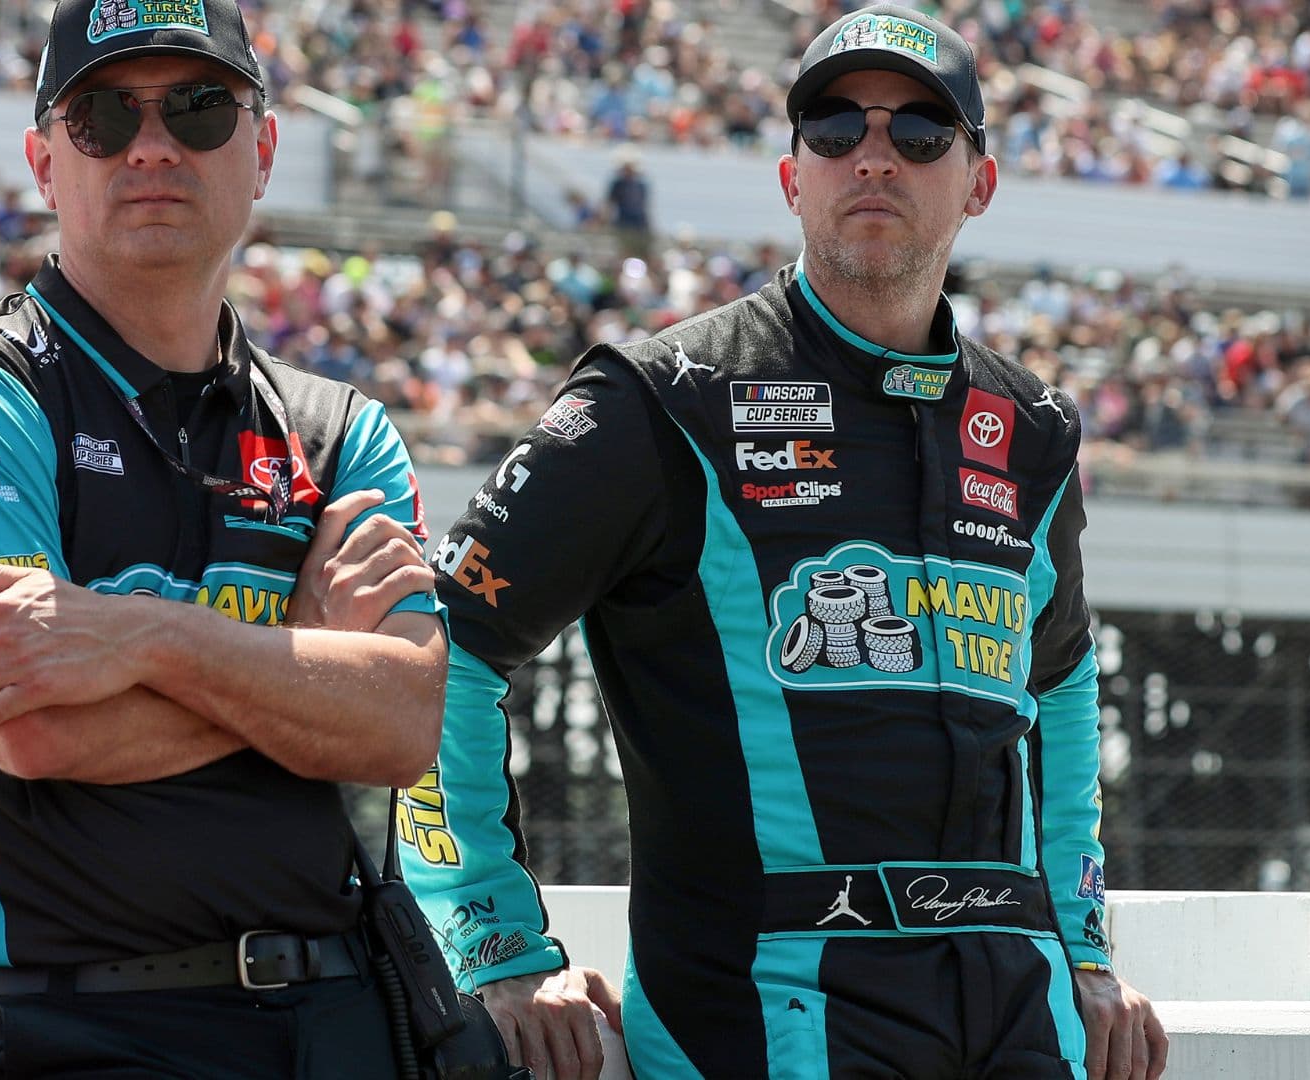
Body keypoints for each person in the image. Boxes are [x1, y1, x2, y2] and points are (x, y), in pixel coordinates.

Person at [401, 6, 1168, 1079]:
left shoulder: (1031, 429)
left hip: (1017, 1019)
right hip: (762, 1018)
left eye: (919, 134)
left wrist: (1083, 944)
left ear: (978, 183)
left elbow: (1066, 679)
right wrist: (495, 941)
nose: (873, 156)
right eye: (835, 127)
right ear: (791, 175)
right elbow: (444, 648)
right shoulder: (662, 398)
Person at [0, 0, 447, 1075]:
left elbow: (402, 723)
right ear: (44, 161)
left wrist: (140, 643)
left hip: (336, 1017)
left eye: (199, 108)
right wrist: (304, 663)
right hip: (58, 1029)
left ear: (261, 148)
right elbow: (37, 728)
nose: (154, 146)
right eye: (104, 120)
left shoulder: (341, 430)